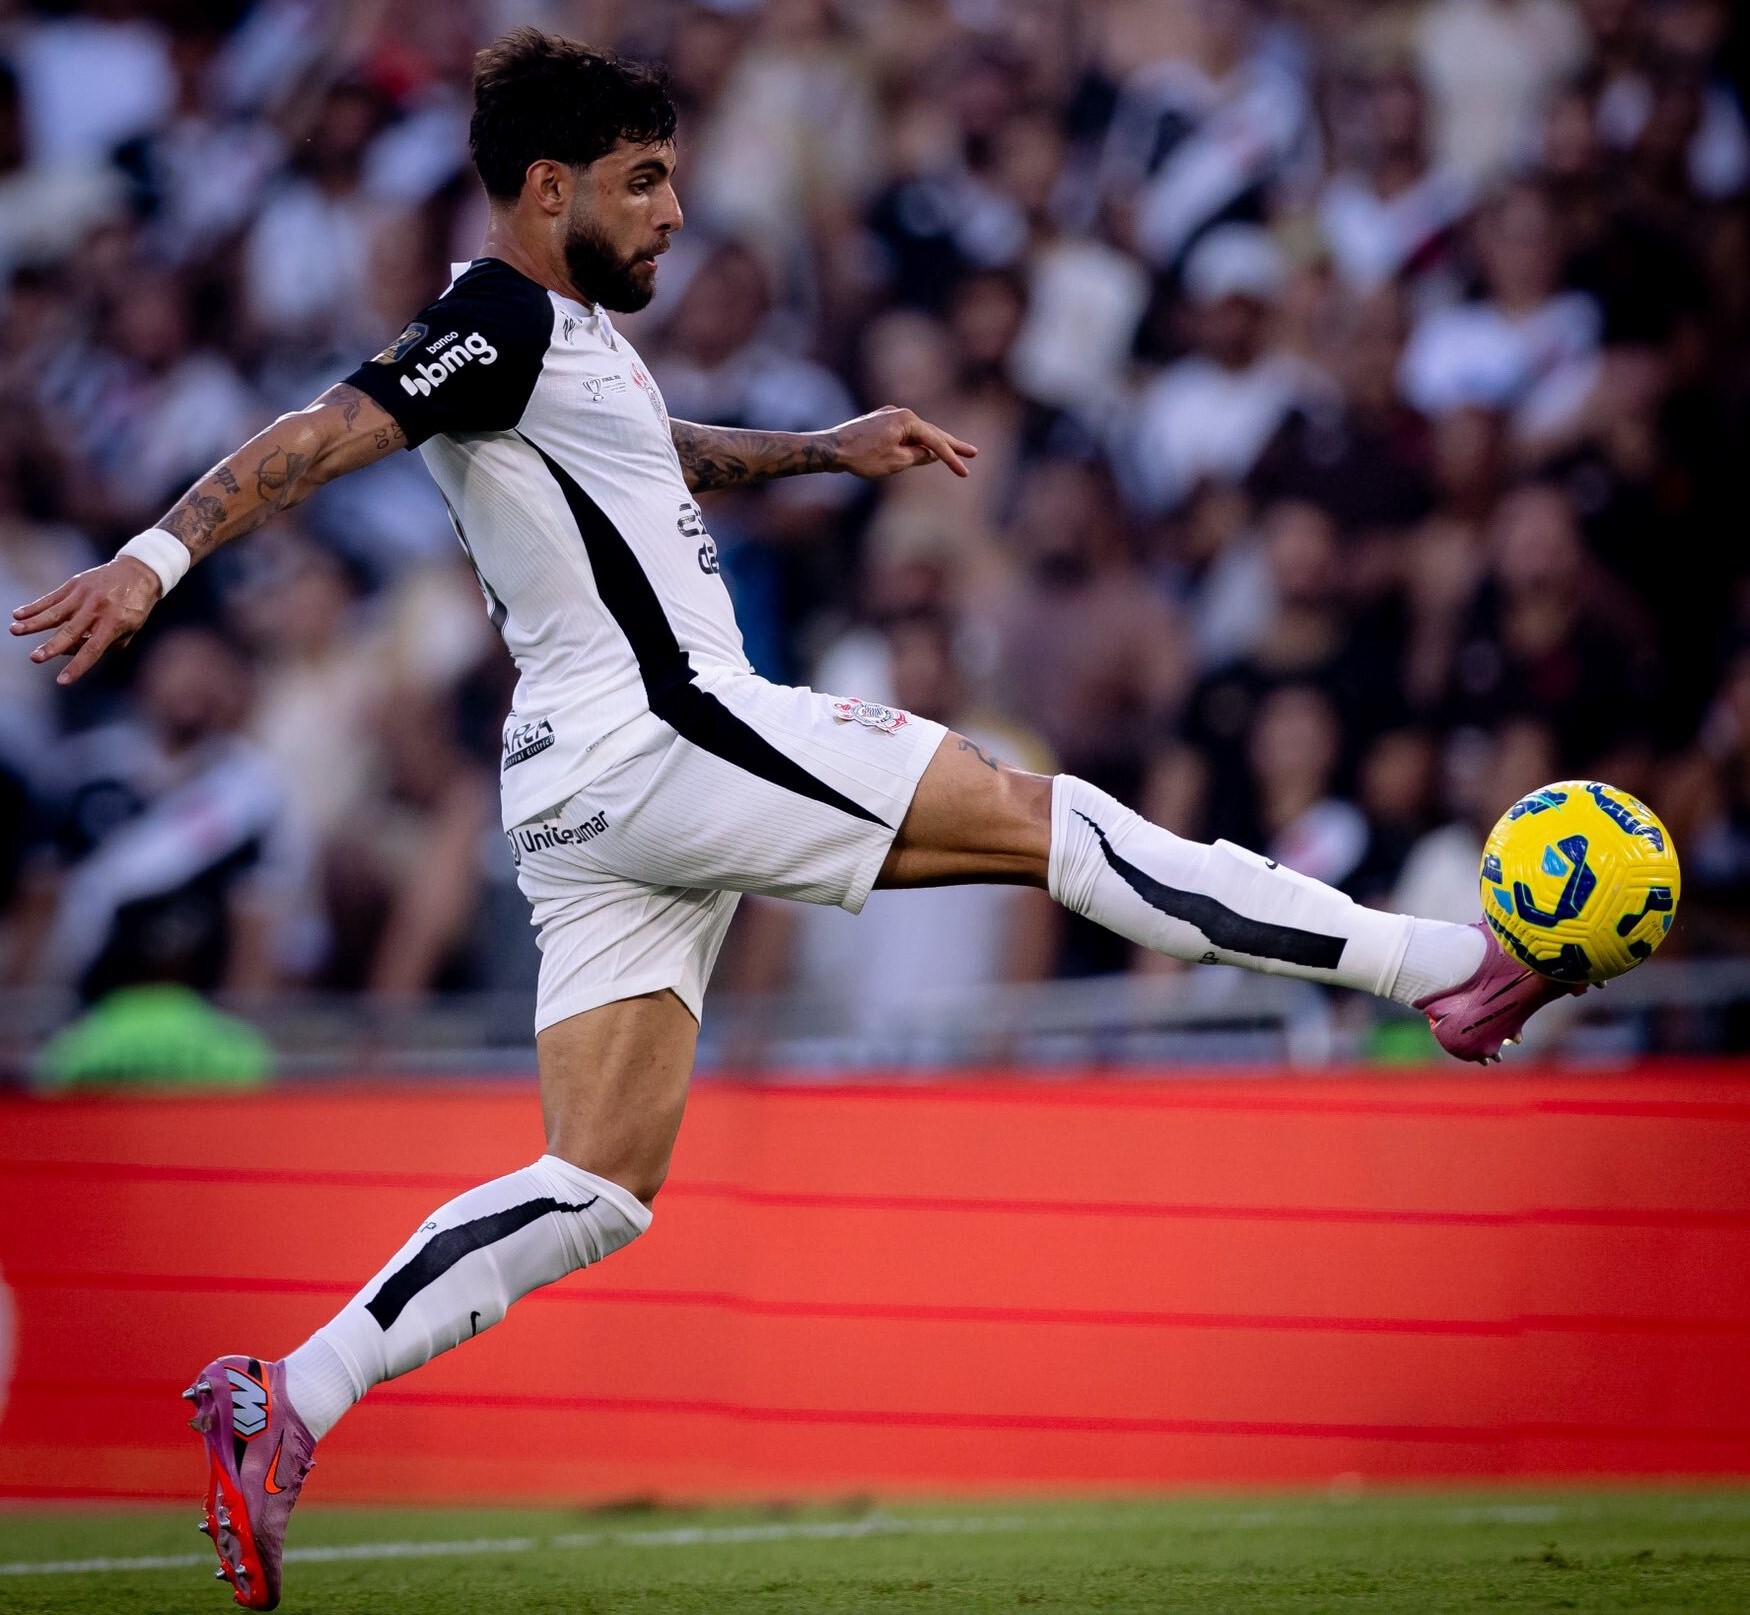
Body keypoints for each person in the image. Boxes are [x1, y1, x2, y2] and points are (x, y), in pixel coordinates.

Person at [9, 31, 1586, 1612]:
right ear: (546, 188)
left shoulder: (558, 341)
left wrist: (822, 451)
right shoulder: (487, 315)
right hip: (669, 731)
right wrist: (149, 564)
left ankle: (290, 1395)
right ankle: (1437, 965)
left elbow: (658, 462)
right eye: (643, 181)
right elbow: (312, 438)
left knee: (598, 1184)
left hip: (573, 786)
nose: (676, 211)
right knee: (1048, 819)